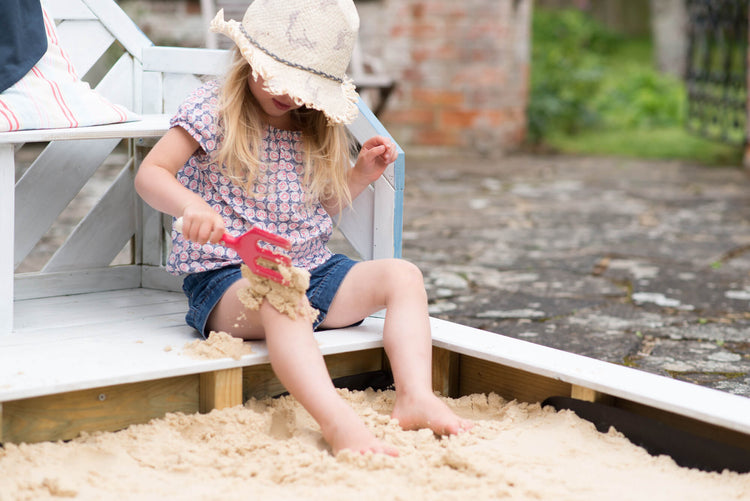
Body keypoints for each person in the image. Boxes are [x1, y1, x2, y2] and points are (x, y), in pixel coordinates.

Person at [134, 0, 472, 456]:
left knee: (403, 275)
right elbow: (151, 173)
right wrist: (191, 206)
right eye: (278, 76)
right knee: (281, 293)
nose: (289, 95)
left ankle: (417, 396)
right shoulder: (212, 109)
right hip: (230, 280)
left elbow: (314, 209)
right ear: (251, 56)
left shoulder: (312, 125)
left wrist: (357, 176)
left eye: (303, 86)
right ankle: (337, 423)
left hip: (311, 269)